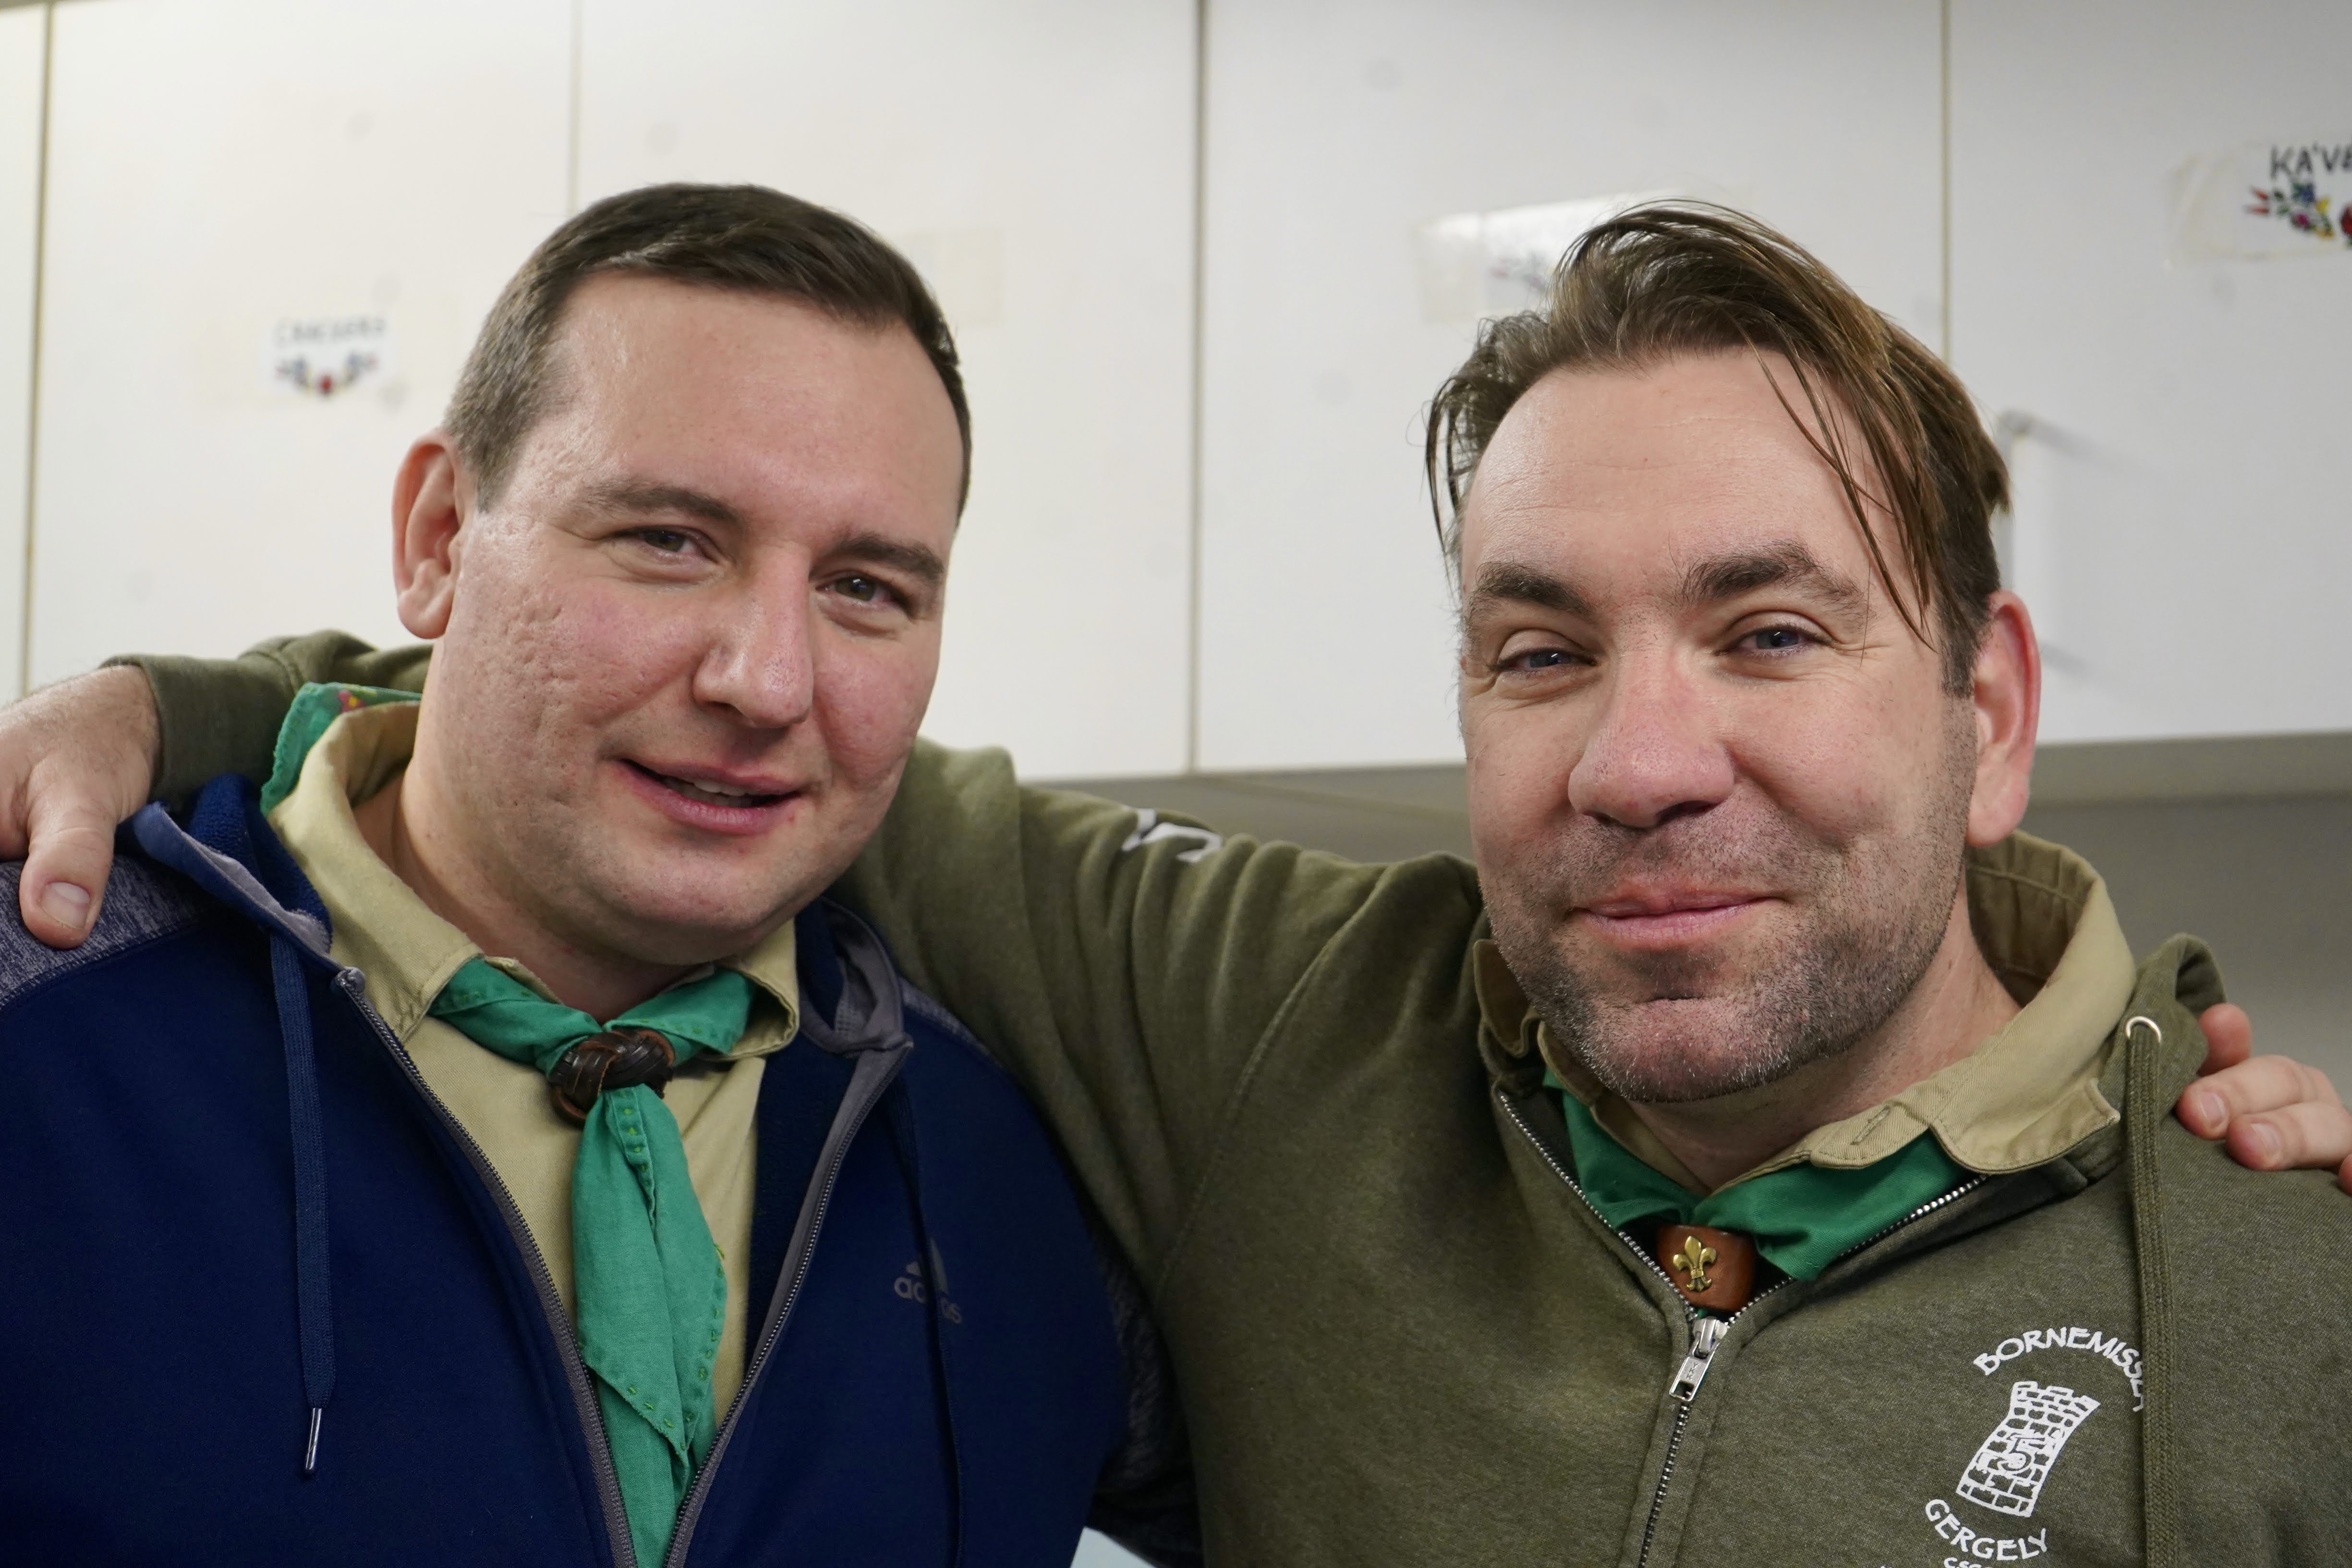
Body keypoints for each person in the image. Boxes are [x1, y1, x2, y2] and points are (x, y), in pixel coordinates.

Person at [12, 204, 2352, 1564]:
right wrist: (166, 713)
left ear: (1988, 708)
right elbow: (639, 746)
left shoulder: (2286, 1288)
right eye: (1542, 650)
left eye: (1768, 633)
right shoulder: (1273, 1030)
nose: (1643, 764)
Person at [0, 184, 1189, 1567]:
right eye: (670, 541)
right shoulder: (39, 1025)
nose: (766, 682)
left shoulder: (1010, 1159)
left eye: (866, 587)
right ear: (440, 538)